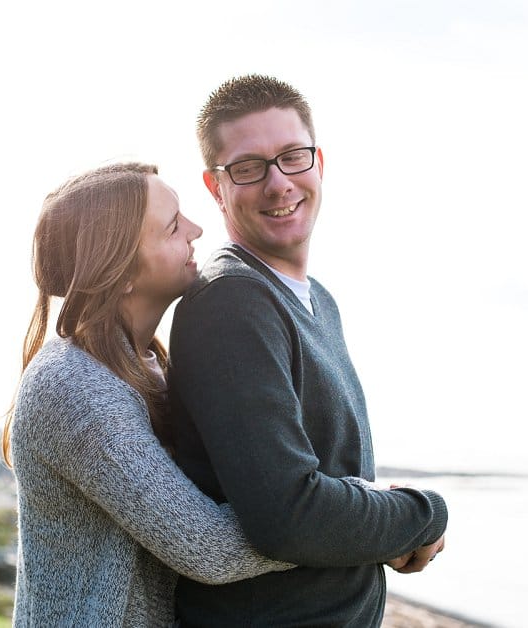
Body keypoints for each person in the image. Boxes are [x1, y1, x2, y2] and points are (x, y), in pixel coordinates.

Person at [168, 74, 449, 627]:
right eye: (248, 167)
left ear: (319, 162)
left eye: (293, 157)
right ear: (215, 186)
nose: (278, 184)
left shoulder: (316, 300)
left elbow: (330, 479)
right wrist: (424, 514)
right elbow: (288, 515)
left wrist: (377, 513)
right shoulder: (231, 303)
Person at [1, 162, 299, 626]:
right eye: (173, 227)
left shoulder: (149, 364)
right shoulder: (74, 386)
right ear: (119, 271)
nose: (197, 230)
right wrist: (343, 523)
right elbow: (208, 549)